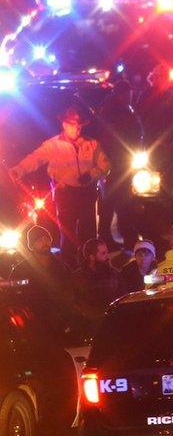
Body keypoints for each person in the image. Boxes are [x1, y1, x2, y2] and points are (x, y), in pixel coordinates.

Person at [10, 105, 110, 263]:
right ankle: (68, 265)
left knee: (89, 231)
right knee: (67, 232)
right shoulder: (53, 145)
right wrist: (18, 170)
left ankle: (90, 263)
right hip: (65, 195)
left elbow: (105, 165)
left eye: (79, 125)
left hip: (87, 194)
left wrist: (91, 175)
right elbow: (35, 158)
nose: (76, 128)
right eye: (72, 125)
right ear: (64, 125)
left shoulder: (91, 144)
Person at [96, 80, 143, 250]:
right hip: (117, 162)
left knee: (113, 201)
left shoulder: (118, 109)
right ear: (122, 94)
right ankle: (124, 236)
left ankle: (110, 236)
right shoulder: (115, 111)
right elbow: (117, 137)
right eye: (128, 95)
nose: (130, 98)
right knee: (120, 201)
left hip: (121, 161)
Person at [9, 226, 72, 298]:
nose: (44, 242)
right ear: (31, 246)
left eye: (46, 239)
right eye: (39, 240)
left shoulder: (61, 266)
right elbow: (11, 290)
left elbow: (71, 288)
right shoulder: (21, 269)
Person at [72, 238, 118, 322]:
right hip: (89, 323)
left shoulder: (114, 274)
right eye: (103, 253)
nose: (107, 256)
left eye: (107, 252)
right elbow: (74, 303)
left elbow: (122, 296)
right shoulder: (77, 277)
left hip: (113, 320)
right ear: (92, 257)